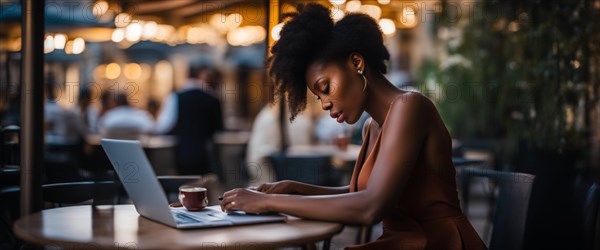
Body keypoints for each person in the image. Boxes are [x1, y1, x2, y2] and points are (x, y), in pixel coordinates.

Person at [219, 4, 486, 250]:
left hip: (439, 243)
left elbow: (369, 208)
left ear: (356, 63)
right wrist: (295, 188)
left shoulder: (409, 106)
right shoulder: (372, 127)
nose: (324, 103)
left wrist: (267, 202)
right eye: (318, 96)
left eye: (325, 88)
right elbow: (359, 194)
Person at [155, 65, 224, 175]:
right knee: (205, 188)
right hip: (206, 156)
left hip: (181, 154)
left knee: (184, 187)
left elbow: (162, 126)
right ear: (201, 76)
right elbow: (219, 129)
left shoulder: (175, 97)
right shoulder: (213, 99)